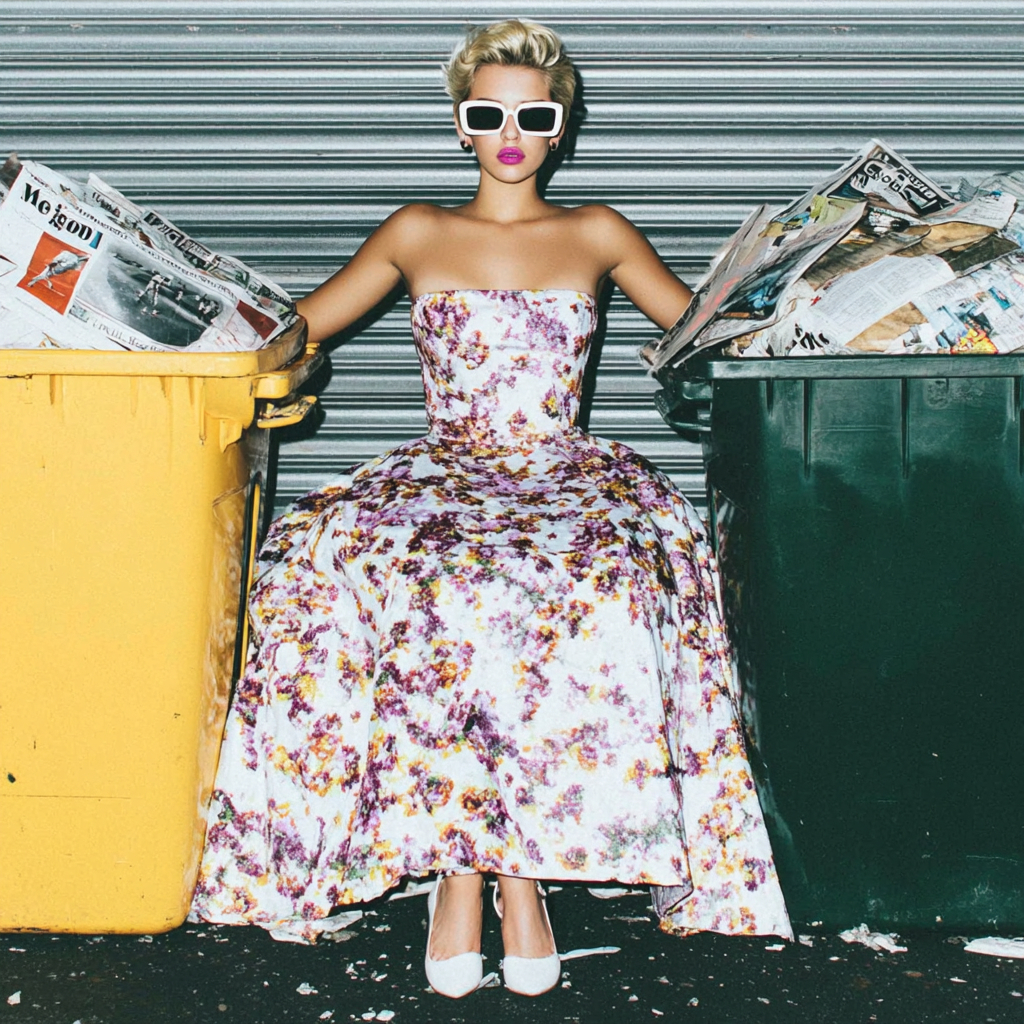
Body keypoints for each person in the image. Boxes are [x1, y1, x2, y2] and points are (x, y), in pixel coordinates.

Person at [191, 19, 791, 1000]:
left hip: (560, 471)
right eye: (487, 113)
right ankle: (460, 871)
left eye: (532, 114)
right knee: (385, 575)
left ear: (561, 127)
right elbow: (296, 326)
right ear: (459, 124)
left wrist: (787, 314)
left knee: (589, 577)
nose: (509, 132)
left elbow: (696, 333)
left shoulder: (596, 231)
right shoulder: (416, 230)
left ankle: (517, 876)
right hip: (446, 471)